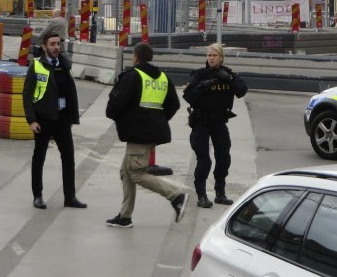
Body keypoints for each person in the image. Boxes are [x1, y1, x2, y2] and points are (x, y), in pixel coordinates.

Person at [104, 42, 187, 228]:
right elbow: (174, 105)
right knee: (126, 171)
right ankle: (125, 217)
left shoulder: (133, 76)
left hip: (138, 133)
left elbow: (117, 102)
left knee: (135, 173)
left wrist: (120, 117)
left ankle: (176, 195)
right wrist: (157, 120)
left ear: (135, 57)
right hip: (153, 132)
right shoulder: (163, 77)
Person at [22, 29, 86, 209]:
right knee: (39, 157)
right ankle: (38, 196)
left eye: (58, 44)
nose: (57, 47)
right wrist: (32, 120)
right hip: (43, 120)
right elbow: (27, 95)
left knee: (68, 157)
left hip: (63, 119)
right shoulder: (36, 65)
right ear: (44, 47)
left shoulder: (64, 64)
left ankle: (70, 197)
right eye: (52, 44)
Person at [183, 43, 247, 208]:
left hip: (219, 121)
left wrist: (230, 79)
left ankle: (220, 193)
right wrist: (202, 86)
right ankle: (202, 195)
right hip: (201, 122)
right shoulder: (200, 75)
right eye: (209, 55)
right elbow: (188, 96)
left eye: (214, 55)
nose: (211, 58)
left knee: (224, 157)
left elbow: (242, 90)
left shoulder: (228, 74)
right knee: (204, 160)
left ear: (221, 57)